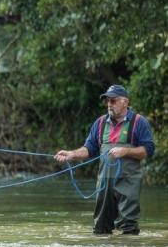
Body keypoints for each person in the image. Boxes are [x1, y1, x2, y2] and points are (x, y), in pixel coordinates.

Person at [55, 84, 155, 235]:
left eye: (113, 100)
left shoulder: (139, 122)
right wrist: (71, 154)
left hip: (128, 182)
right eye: (108, 101)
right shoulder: (100, 123)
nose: (109, 104)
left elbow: (148, 150)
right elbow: (89, 149)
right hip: (104, 184)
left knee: (128, 227)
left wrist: (125, 151)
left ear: (125, 102)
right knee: (101, 229)